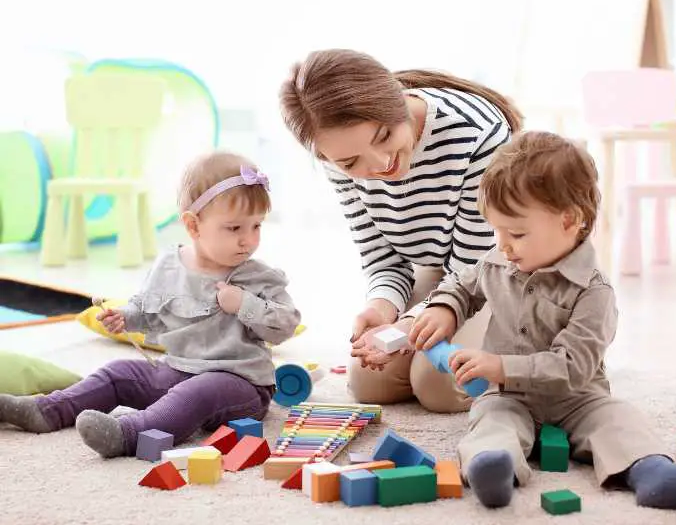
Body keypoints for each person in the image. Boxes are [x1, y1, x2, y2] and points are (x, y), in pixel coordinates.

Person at [408, 131, 676, 510]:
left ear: (570, 220)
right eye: (496, 231)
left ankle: (653, 472)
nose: (503, 244)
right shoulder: (497, 262)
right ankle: (491, 469)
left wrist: (501, 366)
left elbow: (574, 367)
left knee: (618, 418)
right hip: (507, 396)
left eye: (516, 233)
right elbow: (462, 285)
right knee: (491, 420)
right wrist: (444, 308)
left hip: (577, 398)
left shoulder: (594, 291)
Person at [0, 151, 301, 457]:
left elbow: (286, 325)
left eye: (256, 226)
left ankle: (129, 434)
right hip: (176, 370)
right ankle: (47, 410)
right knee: (118, 373)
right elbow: (146, 309)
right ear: (193, 226)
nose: (248, 240)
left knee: (195, 393)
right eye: (235, 228)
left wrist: (244, 303)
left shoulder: (257, 277)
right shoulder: (169, 265)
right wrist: (126, 317)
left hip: (240, 384)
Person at [280, 48, 522, 412]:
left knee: (440, 385)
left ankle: (529, 350)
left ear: (397, 101)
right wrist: (382, 307)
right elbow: (383, 259)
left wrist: (408, 325)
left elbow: (473, 267)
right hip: (441, 269)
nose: (381, 165)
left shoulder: (476, 133)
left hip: (498, 271)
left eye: (383, 136)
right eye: (351, 162)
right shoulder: (336, 157)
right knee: (370, 381)